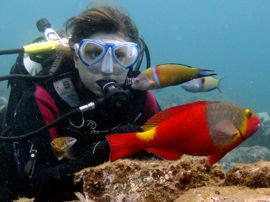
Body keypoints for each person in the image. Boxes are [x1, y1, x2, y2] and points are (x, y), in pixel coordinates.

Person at [0, 5, 160, 201]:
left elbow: (170, 152)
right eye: (94, 53)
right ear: (76, 57)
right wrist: (100, 151)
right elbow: (31, 184)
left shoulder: (140, 95)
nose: (107, 69)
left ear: (132, 58)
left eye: (120, 55)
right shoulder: (44, 98)